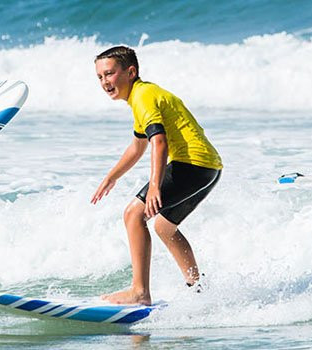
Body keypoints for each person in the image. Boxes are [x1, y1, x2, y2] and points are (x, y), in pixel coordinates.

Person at [90, 46, 222, 305]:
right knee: (164, 227)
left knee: (133, 214)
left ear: (131, 72)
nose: (105, 82)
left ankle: (139, 292)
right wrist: (111, 176)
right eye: (100, 77)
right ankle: (198, 289)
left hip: (191, 164)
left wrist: (154, 187)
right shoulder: (142, 95)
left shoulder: (143, 97)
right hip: (209, 168)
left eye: (110, 74)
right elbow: (138, 145)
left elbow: (158, 141)